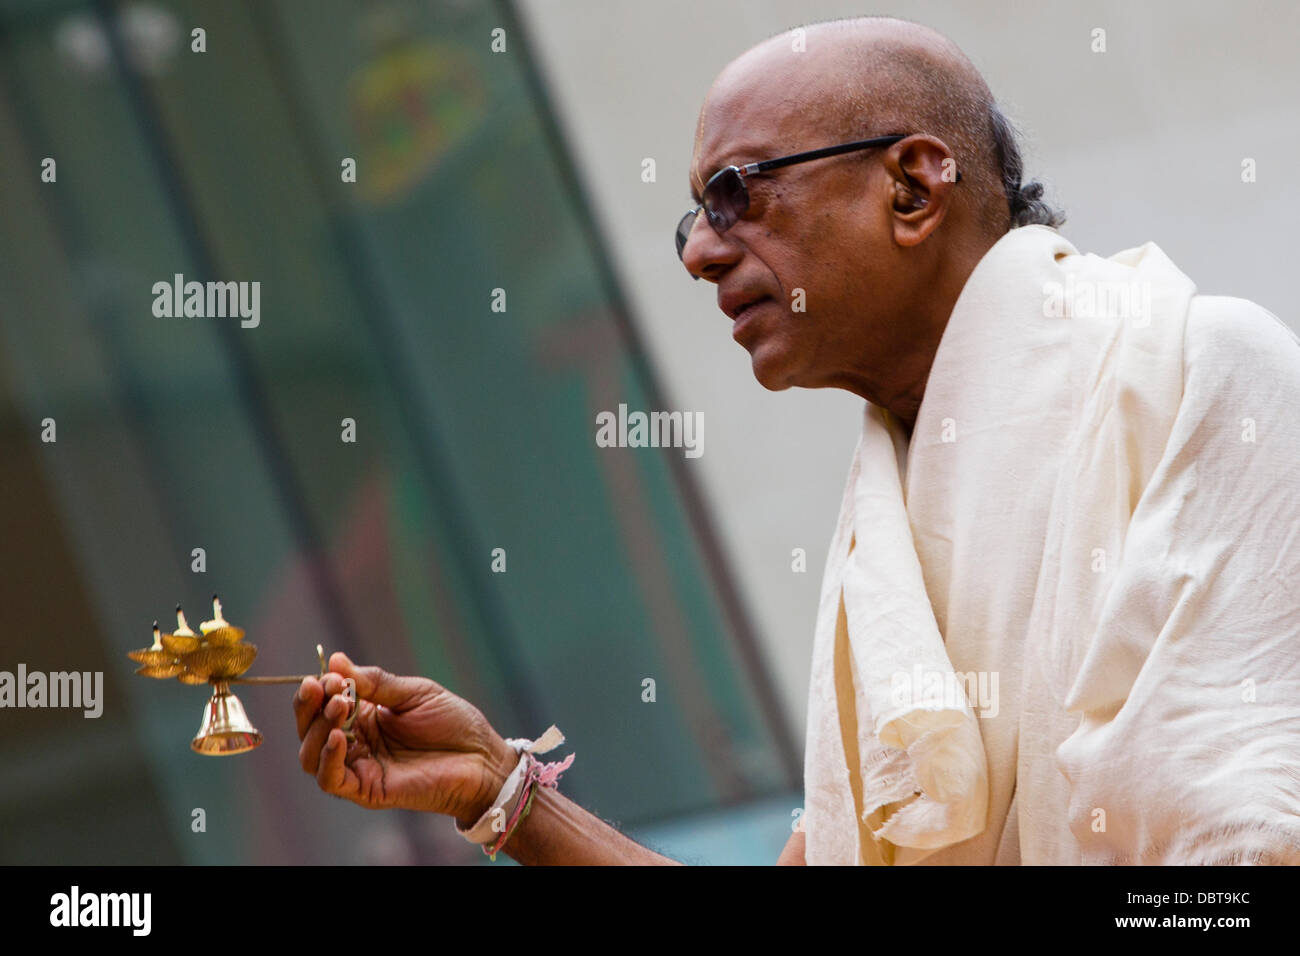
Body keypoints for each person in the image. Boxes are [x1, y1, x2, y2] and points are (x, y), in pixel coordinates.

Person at [296, 16, 1300, 865]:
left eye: (735, 192)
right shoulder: (884, 527)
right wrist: (504, 790)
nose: (697, 252)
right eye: (691, 216)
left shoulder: (1197, 365)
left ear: (910, 187)